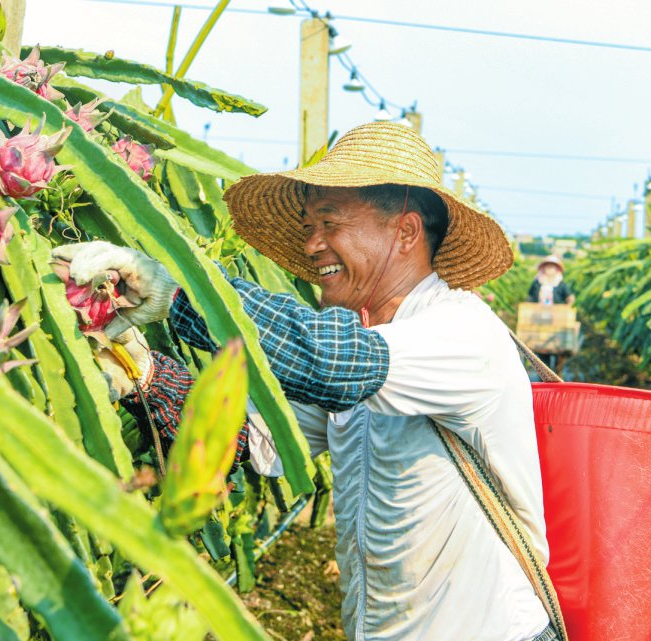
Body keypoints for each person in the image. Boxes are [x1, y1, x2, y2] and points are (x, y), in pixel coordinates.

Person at [54, 122, 558, 641]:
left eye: (330, 222)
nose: (312, 244)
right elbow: (250, 440)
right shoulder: (368, 344)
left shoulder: (461, 333)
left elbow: (331, 361)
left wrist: (182, 295)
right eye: (308, 225)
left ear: (405, 232)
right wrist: (146, 373)